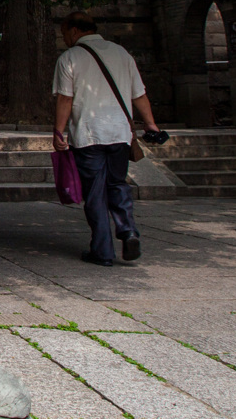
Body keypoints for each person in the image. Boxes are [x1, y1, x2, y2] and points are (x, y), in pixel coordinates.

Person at [52, 13, 164, 266]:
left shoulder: (70, 58)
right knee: (117, 184)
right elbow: (139, 94)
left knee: (95, 193)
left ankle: (102, 251)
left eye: (64, 33)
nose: (64, 38)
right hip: (120, 135)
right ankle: (128, 231)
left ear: (73, 31)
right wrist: (150, 123)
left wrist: (58, 131)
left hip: (89, 135)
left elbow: (65, 99)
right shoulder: (122, 54)